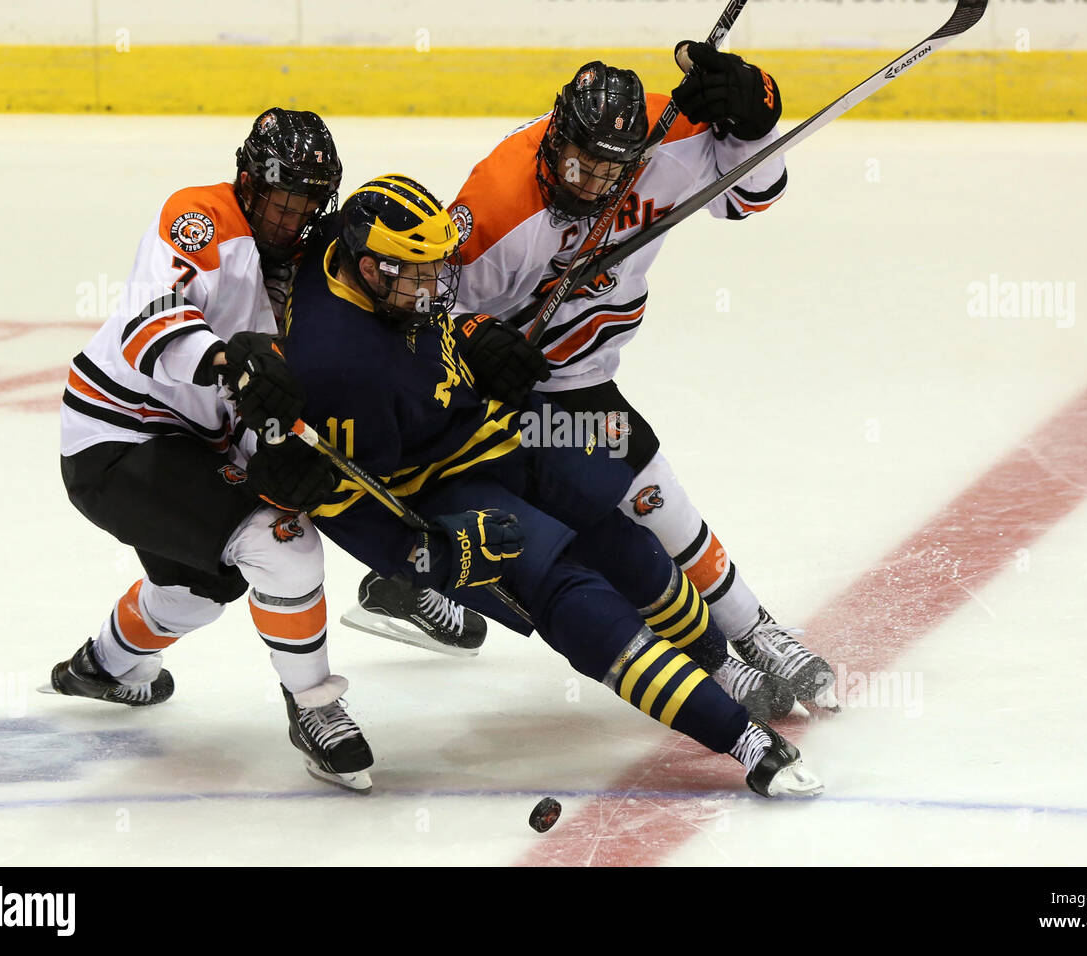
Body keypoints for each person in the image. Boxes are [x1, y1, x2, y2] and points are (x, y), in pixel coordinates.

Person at [270, 174, 823, 797]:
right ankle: (739, 738)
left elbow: (428, 326)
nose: (436, 286)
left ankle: (721, 665)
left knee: (618, 536)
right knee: (575, 598)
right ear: (370, 269)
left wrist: (471, 333)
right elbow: (340, 500)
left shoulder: (340, 252)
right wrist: (424, 555)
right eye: (418, 275)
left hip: (489, 432)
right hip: (440, 492)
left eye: (434, 268)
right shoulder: (339, 369)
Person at [348, 47, 839, 711]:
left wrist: (756, 123)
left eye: (610, 169)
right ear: (555, 136)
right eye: (578, 164)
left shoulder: (669, 141)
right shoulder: (497, 202)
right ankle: (420, 578)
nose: (590, 184)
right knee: (571, 515)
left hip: (576, 372)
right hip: (491, 389)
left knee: (636, 496)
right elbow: (420, 306)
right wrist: (471, 337)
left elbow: (753, 196)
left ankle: (750, 633)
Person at [48, 108, 377, 791]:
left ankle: (100, 667)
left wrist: (275, 442)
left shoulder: (308, 271)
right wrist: (227, 359)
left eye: (307, 204)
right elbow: (153, 321)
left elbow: (273, 392)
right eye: (280, 201)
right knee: (280, 541)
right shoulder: (200, 218)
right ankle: (314, 708)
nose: (291, 219)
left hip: (191, 441)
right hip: (116, 435)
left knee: (201, 587)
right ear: (248, 184)